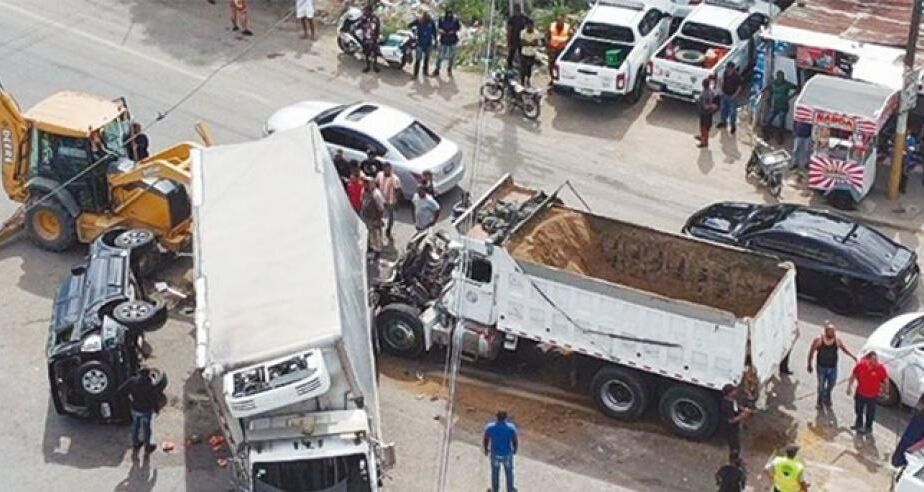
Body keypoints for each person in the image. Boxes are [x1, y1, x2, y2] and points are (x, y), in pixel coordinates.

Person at [807, 322, 856, 409]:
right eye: (830, 331)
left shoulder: (837, 341)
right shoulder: (818, 340)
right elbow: (811, 351)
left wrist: (853, 357)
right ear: (826, 331)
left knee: (832, 384)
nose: (833, 333)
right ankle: (820, 401)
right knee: (821, 385)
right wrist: (809, 364)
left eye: (833, 331)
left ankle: (827, 396)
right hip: (821, 367)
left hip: (833, 368)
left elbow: (844, 349)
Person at [118, 368, 161, 455]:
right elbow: (154, 399)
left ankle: (135, 443)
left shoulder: (132, 381)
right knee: (146, 429)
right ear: (148, 375)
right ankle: (147, 446)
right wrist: (156, 409)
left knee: (135, 426)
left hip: (135, 408)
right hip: (146, 410)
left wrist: (129, 400)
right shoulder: (150, 385)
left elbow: (121, 390)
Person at [847, 351, 889, 434]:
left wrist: (886, 392)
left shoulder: (881, 368)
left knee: (870, 413)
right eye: (874, 359)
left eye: (877, 359)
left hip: (872, 396)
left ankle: (868, 428)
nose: (876, 362)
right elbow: (853, 376)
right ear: (868, 359)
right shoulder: (861, 365)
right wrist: (849, 387)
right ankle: (858, 424)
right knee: (858, 410)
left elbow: (886, 381)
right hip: (860, 393)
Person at [483, 411, 518, 492]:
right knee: (509, 473)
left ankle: (495, 490)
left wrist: (486, 449)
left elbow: (486, 439)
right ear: (506, 418)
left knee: (495, 473)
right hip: (507, 455)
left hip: (495, 454)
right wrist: (515, 449)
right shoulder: (511, 428)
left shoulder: (490, 427)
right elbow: (515, 440)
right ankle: (510, 489)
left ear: (496, 417)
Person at [765, 71, 796, 144]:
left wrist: (789, 97)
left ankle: (780, 137)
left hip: (783, 106)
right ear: (777, 76)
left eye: (782, 76)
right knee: (769, 120)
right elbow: (768, 89)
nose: (781, 78)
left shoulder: (787, 84)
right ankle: (767, 134)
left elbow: (797, 88)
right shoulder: (773, 83)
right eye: (780, 76)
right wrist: (769, 98)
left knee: (781, 123)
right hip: (774, 105)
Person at [720, 384, 751, 454]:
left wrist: (744, 409)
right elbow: (730, 420)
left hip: (735, 427)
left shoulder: (732, 400)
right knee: (735, 446)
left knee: (737, 444)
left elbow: (736, 407)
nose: (736, 391)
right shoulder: (726, 405)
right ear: (729, 393)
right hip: (730, 430)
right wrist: (742, 416)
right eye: (734, 391)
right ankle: (734, 459)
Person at [375, 163, 401, 239]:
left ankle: (388, 230)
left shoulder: (395, 179)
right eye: (385, 169)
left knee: (391, 216)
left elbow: (398, 190)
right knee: (378, 214)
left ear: (391, 169)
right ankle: (378, 229)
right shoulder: (379, 174)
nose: (387, 170)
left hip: (390, 201)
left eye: (388, 169)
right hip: (380, 199)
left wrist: (397, 202)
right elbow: (376, 183)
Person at [432, 9, 461, 77]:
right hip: (443, 40)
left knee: (452, 56)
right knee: (440, 56)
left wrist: (453, 31)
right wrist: (441, 31)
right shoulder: (441, 19)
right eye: (448, 13)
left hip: (453, 40)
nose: (449, 15)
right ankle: (437, 69)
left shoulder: (455, 20)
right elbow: (438, 27)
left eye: (450, 14)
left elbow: (458, 28)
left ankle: (449, 69)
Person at [409, 11, 438, 80]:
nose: (427, 17)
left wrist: (436, 41)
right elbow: (410, 25)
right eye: (425, 15)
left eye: (428, 15)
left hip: (428, 43)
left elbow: (434, 32)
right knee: (418, 60)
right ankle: (415, 75)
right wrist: (414, 31)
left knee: (426, 59)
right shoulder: (419, 21)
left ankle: (425, 72)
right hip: (420, 43)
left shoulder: (431, 22)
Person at [360, 179, 385, 255]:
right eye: (365, 184)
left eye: (368, 184)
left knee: (376, 235)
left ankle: (378, 251)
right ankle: (370, 247)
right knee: (368, 233)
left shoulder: (376, 194)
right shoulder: (364, 191)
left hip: (374, 219)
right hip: (366, 217)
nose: (366, 185)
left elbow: (381, 208)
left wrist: (378, 219)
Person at [717, 63, 741, 134]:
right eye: (727, 68)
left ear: (732, 69)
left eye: (729, 68)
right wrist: (721, 90)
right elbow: (721, 81)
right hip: (724, 94)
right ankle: (723, 122)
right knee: (723, 109)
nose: (727, 69)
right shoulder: (725, 73)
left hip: (732, 96)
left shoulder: (737, 76)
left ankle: (733, 126)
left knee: (733, 112)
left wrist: (734, 95)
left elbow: (739, 87)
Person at [547, 15, 571, 86]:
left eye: (561, 21)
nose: (559, 23)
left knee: (561, 66)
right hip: (552, 49)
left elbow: (570, 38)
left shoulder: (568, 27)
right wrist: (548, 45)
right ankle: (552, 79)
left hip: (562, 50)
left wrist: (565, 45)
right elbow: (547, 36)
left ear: (563, 21)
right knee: (551, 64)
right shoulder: (551, 26)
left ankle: (561, 80)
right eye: (558, 21)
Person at [696, 79, 718, 149]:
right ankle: (703, 138)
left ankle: (704, 141)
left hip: (705, 113)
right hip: (709, 113)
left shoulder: (704, 94)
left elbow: (706, 106)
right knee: (706, 127)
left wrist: (708, 106)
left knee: (704, 128)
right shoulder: (712, 91)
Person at [519, 20, 540, 86]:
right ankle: (522, 82)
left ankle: (528, 80)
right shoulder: (522, 32)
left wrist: (527, 43)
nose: (529, 27)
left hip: (532, 54)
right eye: (528, 25)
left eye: (531, 25)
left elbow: (536, 43)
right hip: (524, 53)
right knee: (523, 68)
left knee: (529, 68)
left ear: (533, 26)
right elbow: (522, 43)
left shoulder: (536, 33)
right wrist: (531, 43)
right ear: (526, 26)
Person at [360, 6, 381, 73]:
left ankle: (375, 66)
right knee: (367, 53)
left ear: (370, 11)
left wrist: (376, 37)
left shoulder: (375, 18)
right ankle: (368, 67)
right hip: (366, 38)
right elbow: (361, 25)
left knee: (375, 54)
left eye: (366, 11)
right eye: (364, 11)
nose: (365, 12)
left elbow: (378, 28)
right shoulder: (364, 17)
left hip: (373, 38)